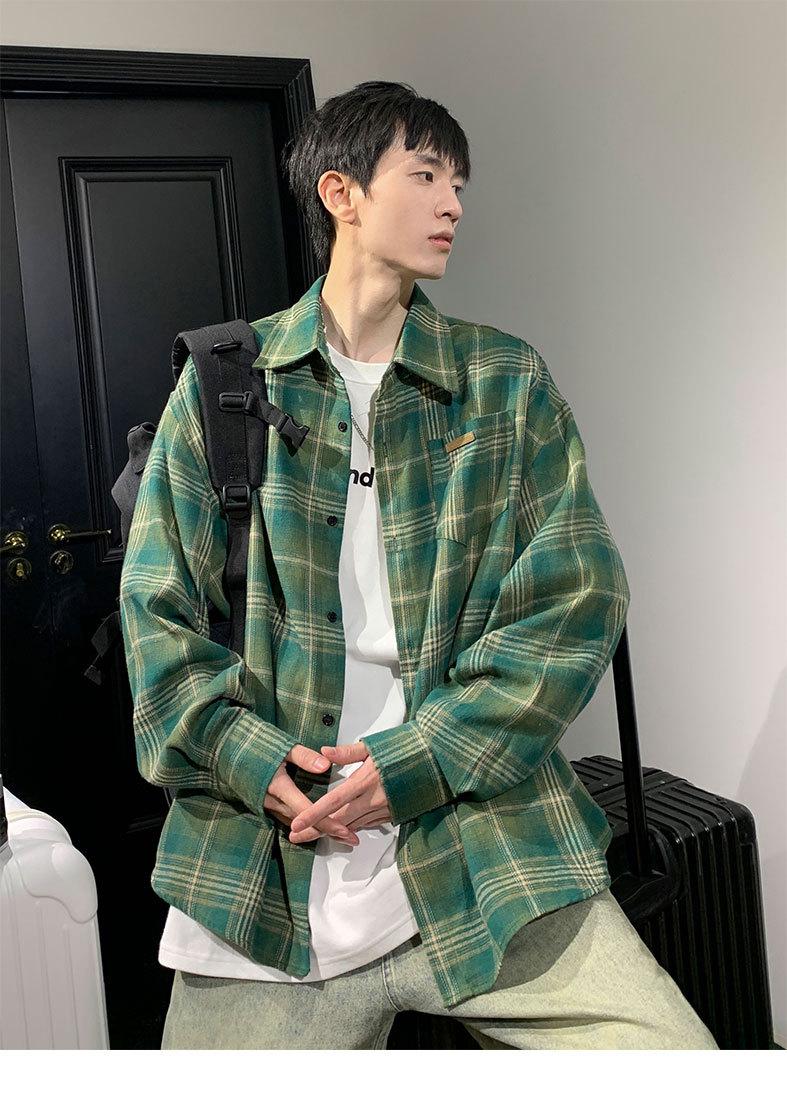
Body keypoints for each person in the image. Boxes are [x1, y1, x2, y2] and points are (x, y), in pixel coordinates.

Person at [120, 80, 718, 1050]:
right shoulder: (224, 387)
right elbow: (157, 614)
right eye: (426, 175)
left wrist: (423, 758)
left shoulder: (502, 382)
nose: (453, 204)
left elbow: (577, 597)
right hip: (266, 875)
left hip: (487, 851)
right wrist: (246, 756)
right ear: (340, 192)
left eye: (459, 184)